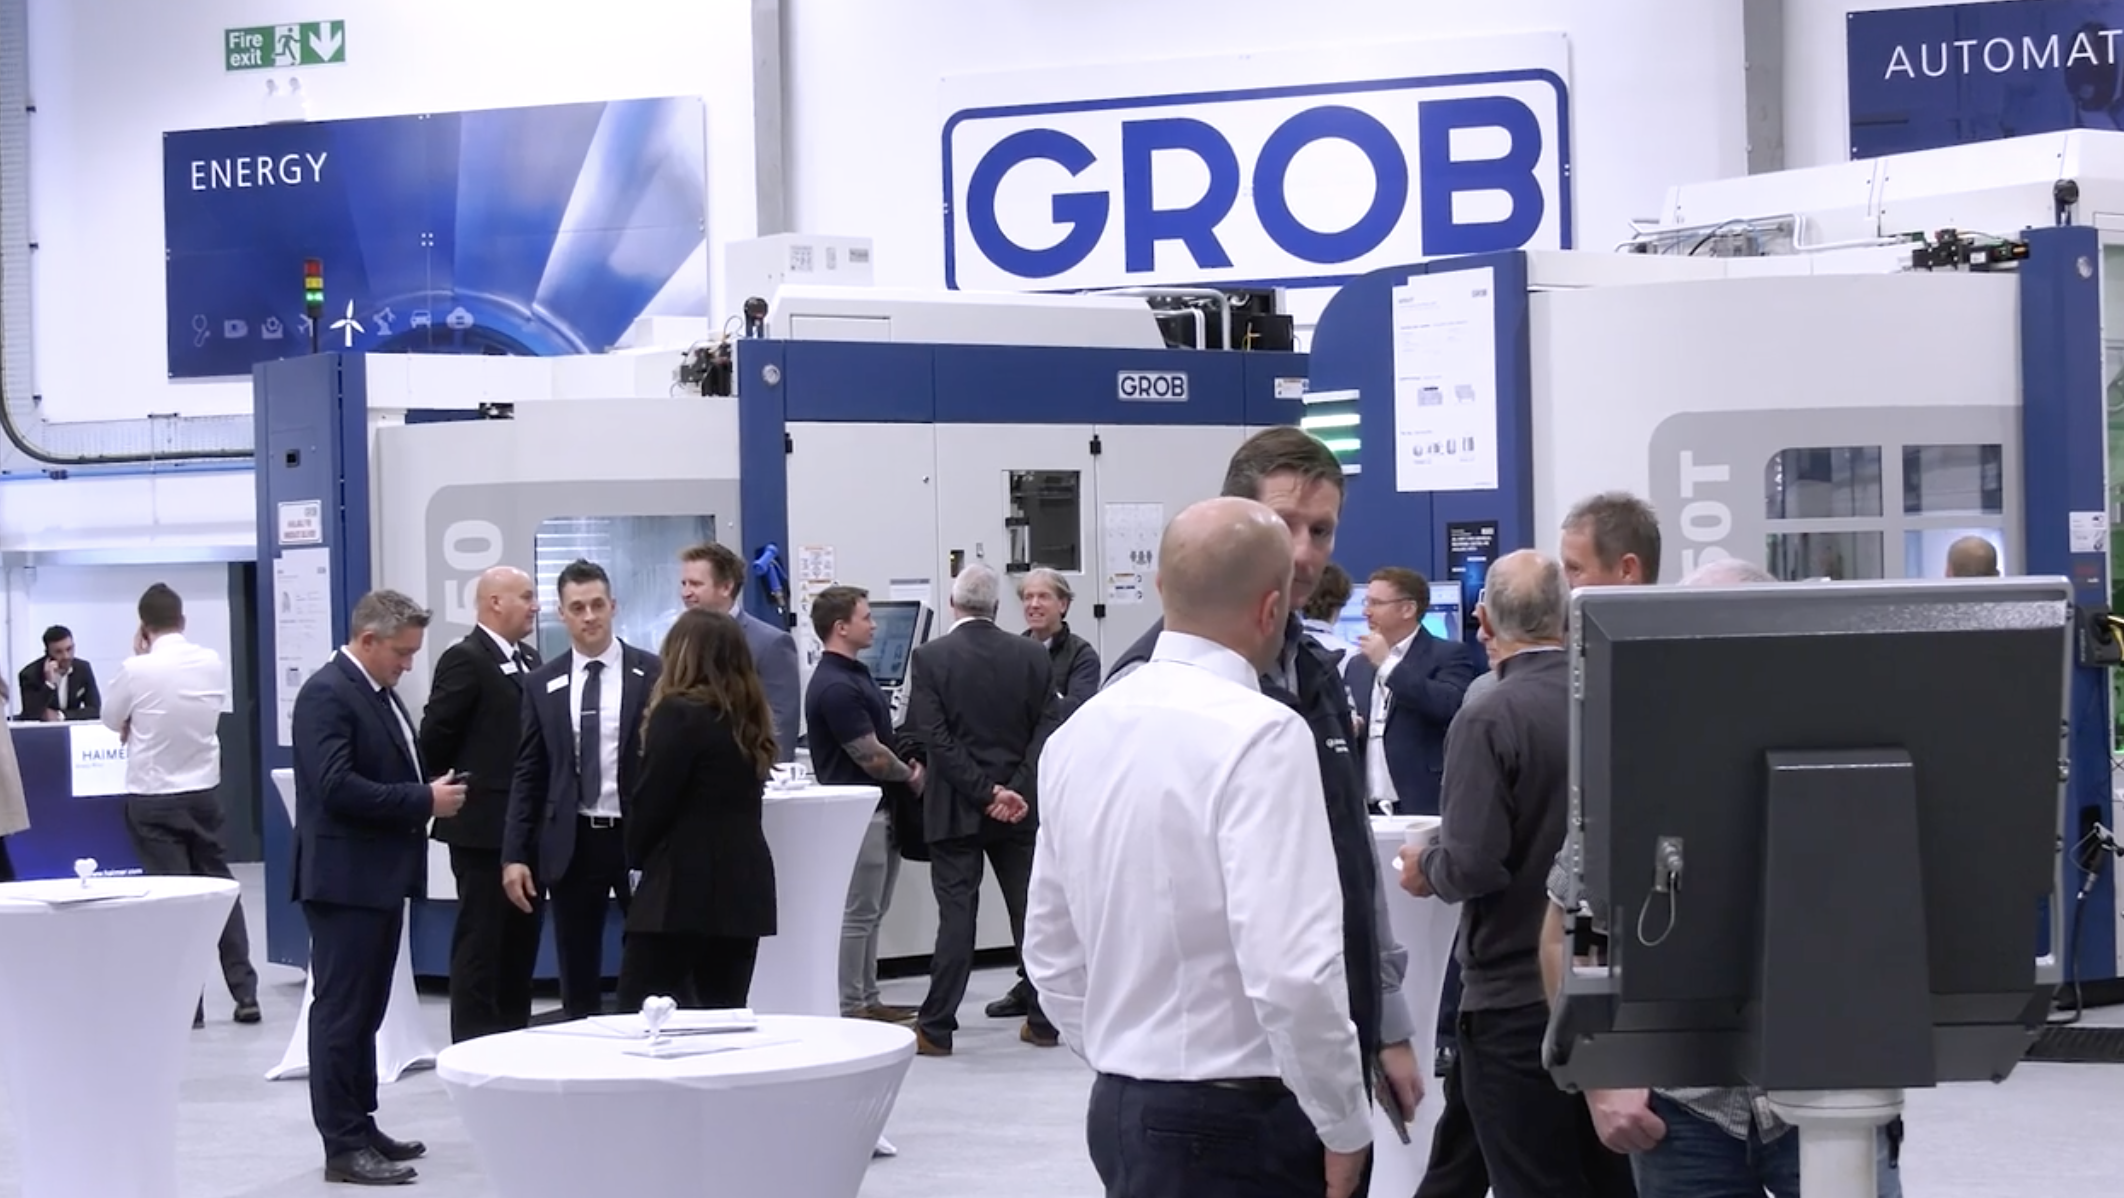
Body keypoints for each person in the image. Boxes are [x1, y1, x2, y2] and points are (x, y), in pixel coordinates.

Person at [1027, 496, 1372, 1198]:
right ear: (1272, 609)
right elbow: (1292, 971)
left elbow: (1050, 950)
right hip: (1241, 1119)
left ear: (1162, 588)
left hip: (1122, 1105)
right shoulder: (1263, 735)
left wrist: (1128, 1055)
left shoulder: (1077, 734)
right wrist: (1342, 1120)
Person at [1542, 555, 1906, 1198]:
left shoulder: (1847, 756)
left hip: (1830, 1091)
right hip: (1684, 1111)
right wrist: (1601, 1077)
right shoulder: (1635, 768)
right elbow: (1571, 932)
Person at [1106, 428, 1425, 1150]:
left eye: (1322, 530)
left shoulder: (1315, 675)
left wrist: (1385, 1022)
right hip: (1211, 1085)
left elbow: (1349, 859)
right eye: (1285, 525)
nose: (1305, 554)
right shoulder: (1146, 691)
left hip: (1324, 1059)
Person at [1400, 550, 1633, 1198]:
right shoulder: (1614, 702)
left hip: (1511, 998)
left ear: (1482, 623)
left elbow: (1473, 863)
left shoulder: (1488, 716)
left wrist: (1426, 866)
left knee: (1531, 1178)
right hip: (1602, 982)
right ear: (1568, 616)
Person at [290, 589, 464, 1187]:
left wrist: (425, 788)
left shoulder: (374, 693)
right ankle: (341, 1145)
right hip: (344, 882)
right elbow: (336, 786)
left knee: (365, 1012)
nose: (408, 664)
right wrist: (423, 799)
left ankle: (361, 1124)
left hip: (376, 880)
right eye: (402, 653)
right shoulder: (327, 695)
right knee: (341, 1015)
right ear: (368, 640)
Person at [905, 563, 1059, 1054]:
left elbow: (936, 738)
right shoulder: (1032, 656)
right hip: (1018, 810)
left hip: (955, 810)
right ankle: (1044, 1021)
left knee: (956, 918)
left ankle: (935, 1029)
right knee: (1030, 915)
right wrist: (1012, 790)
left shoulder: (930, 658)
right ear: (996, 607)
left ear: (954, 605)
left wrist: (982, 792)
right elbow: (1047, 730)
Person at [502, 559, 660, 1019]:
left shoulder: (653, 673)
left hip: (637, 838)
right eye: (577, 608)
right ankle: (580, 1041)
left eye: (597, 605)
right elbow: (529, 771)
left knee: (651, 955)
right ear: (562, 614)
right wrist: (514, 854)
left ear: (613, 606)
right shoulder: (541, 683)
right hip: (573, 841)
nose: (589, 617)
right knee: (576, 964)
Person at [102, 583, 261, 1027]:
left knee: (173, 903)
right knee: (220, 890)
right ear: (183, 620)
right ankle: (245, 993)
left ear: (143, 628)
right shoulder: (210, 662)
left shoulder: (136, 669)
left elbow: (110, 717)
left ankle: (189, 1005)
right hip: (203, 794)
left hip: (153, 797)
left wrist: (134, 707)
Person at [617, 609, 779, 1010]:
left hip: (680, 889)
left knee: (640, 1012)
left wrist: (634, 856)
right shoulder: (750, 719)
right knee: (723, 1015)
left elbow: (653, 800)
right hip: (744, 886)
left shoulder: (677, 713)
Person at [417, 565, 545, 1043]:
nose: (535, 606)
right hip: (482, 831)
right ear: (495, 602)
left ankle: (513, 1040)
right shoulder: (466, 659)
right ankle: (472, 1045)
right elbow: (435, 738)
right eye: (525, 596)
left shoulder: (529, 659)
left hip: (526, 831)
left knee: (520, 944)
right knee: (482, 942)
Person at [807, 584, 925, 1024]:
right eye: (866, 617)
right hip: (859, 816)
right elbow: (870, 755)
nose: (873, 625)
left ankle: (869, 997)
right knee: (859, 913)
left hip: (878, 810)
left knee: (873, 912)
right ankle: (852, 1003)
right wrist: (910, 775)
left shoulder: (855, 675)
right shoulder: (836, 686)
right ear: (841, 627)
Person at [1344, 567, 1475, 816]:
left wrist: (1389, 665)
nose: (1366, 612)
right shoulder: (1358, 664)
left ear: (1407, 609)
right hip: (1367, 807)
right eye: (1366, 602)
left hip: (1421, 802)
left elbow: (1449, 705)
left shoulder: (1448, 655)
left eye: (1376, 603)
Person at [678, 541, 802, 761]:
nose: (686, 593)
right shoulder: (681, 641)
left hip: (747, 771)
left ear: (726, 587)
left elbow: (781, 724)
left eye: (695, 584)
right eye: (684, 583)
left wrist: (770, 775)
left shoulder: (770, 644)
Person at [1018, 566, 1100, 717]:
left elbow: (1076, 710)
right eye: (1028, 597)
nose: (1034, 604)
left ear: (1063, 605)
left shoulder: (1081, 655)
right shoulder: (1013, 652)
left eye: (1043, 596)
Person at [16, 624, 99, 722]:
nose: (66, 656)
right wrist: (49, 684)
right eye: (59, 652)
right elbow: (31, 714)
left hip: (71, 727)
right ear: (48, 653)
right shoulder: (30, 675)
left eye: (69, 649)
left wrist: (61, 716)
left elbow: (95, 710)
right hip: (41, 729)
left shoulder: (83, 669)